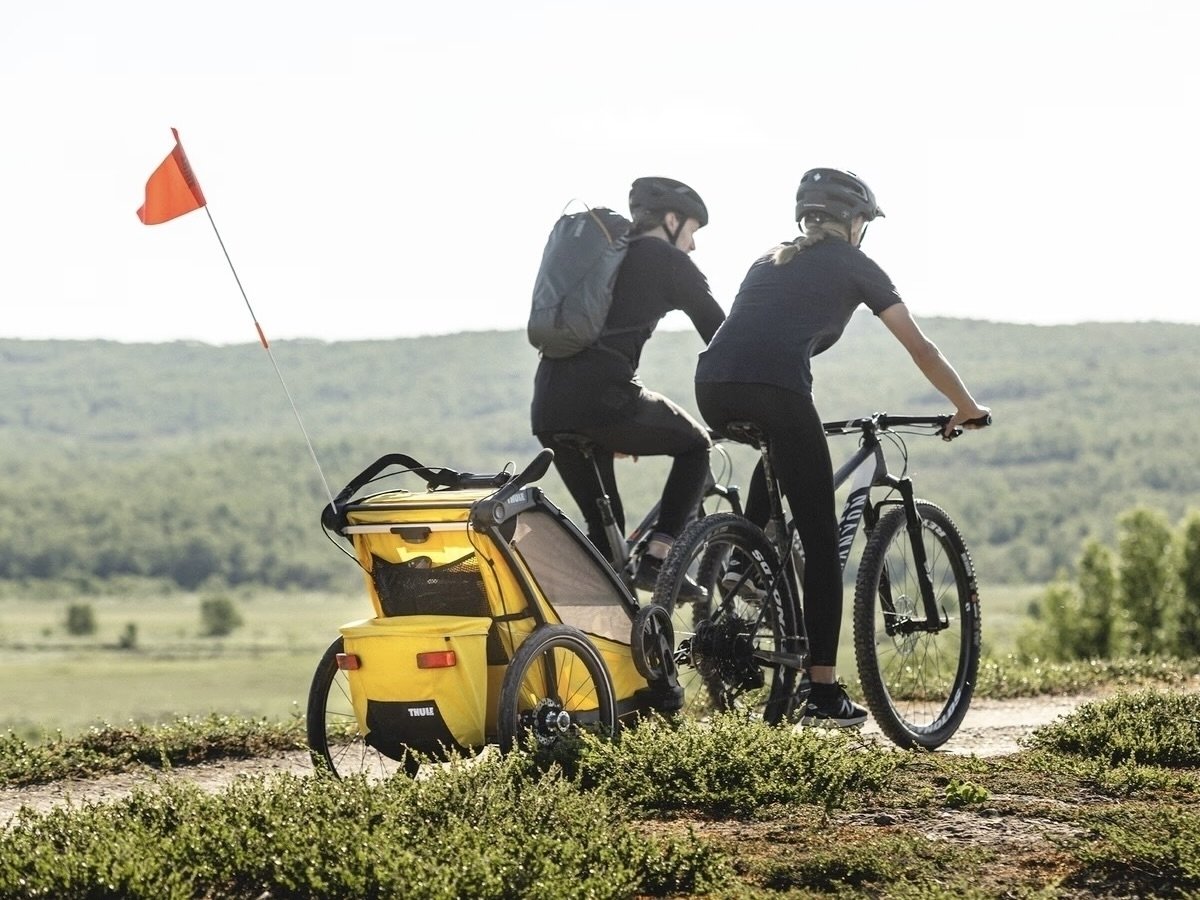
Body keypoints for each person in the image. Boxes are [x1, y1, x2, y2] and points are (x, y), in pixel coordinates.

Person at [694, 168, 990, 727]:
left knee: (775, 451)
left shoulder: (769, 258)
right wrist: (967, 407)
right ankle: (824, 694)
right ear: (854, 222)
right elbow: (921, 348)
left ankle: (742, 561)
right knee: (823, 544)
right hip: (776, 391)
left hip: (712, 385)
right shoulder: (857, 265)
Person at [531, 176, 726, 592]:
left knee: (608, 546)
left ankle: (588, 641)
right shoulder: (668, 260)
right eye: (692, 231)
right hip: (605, 400)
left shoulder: (609, 254)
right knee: (696, 446)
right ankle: (660, 557)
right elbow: (723, 338)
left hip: (549, 405)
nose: (692, 245)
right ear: (672, 220)